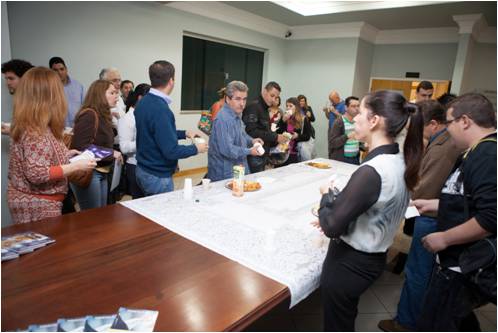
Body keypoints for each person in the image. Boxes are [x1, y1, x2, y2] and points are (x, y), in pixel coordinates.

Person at [315, 90, 424, 331]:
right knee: (345, 317)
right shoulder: (399, 160)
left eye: (360, 113)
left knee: (337, 325)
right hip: (373, 257)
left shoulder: (372, 170)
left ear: (374, 121)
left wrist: (326, 196)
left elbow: (331, 226)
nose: (353, 118)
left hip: (349, 263)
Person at [378, 100, 462, 332]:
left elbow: (425, 187)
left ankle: (406, 322)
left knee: (418, 273)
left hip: (431, 218)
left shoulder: (445, 146)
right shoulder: (439, 141)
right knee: (420, 272)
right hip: (432, 214)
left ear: (433, 124)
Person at [414, 93, 496, 331]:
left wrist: (444, 238)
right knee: (458, 321)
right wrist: (435, 204)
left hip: (463, 265)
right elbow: (469, 201)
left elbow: (491, 217)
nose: (447, 129)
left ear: (465, 121)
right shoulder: (474, 151)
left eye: (449, 122)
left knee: (435, 323)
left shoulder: (488, 155)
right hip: (457, 263)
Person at [7, 67, 96, 224]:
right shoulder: (34, 130)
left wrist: (66, 155)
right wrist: (75, 167)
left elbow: (40, 156)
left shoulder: (36, 124)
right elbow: (36, 173)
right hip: (38, 204)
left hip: (41, 201)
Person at [135, 60, 208, 195]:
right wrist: (196, 148)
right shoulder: (161, 109)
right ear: (171, 81)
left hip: (143, 169)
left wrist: (183, 133)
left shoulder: (143, 102)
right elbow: (171, 151)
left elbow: (155, 133)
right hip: (157, 176)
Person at [70, 80, 123, 210]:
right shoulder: (89, 114)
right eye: (112, 93)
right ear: (99, 95)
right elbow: (81, 148)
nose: (117, 96)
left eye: (117, 93)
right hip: (89, 172)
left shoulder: (103, 115)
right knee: (91, 217)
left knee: (100, 214)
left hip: (101, 170)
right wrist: (111, 153)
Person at [207, 81, 263, 182]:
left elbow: (242, 134)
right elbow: (227, 150)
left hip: (237, 168)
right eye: (238, 99)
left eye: (244, 99)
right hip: (224, 174)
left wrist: (252, 141)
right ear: (228, 99)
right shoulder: (223, 119)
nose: (242, 104)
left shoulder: (236, 114)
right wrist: (249, 151)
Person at [242, 81, 288, 173]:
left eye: (276, 97)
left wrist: (277, 140)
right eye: (272, 95)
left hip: (263, 153)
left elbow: (264, 130)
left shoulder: (265, 108)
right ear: (264, 91)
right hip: (254, 154)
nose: (273, 99)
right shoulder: (254, 106)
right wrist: (275, 137)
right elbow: (251, 131)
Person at [118, 83, 150, 199]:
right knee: (139, 203)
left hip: (148, 165)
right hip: (135, 166)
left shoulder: (145, 115)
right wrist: (146, 143)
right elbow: (124, 147)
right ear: (140, 98)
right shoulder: (127, 119)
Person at [49, 57, 85, 128]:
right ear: (51, 72)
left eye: (62, 69)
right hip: (56, 130)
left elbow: (85, 106)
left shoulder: (78, 86)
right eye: (55, 70)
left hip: (76, 128)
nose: (59, 73)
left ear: (66, 69)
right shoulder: (47, 88)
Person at [276, 97, 313, 166]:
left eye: (290, 106)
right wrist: (283, 121)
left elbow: (307, 136)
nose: (288, 108)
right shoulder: (284, 117)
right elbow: (277, 132)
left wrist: (297, 136)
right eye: (287, 106)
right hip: (283, 151)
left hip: (294, 153)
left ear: (296, 107)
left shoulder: (303, 119)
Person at [1, 59, 33, 135]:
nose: (7, 83)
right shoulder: (20, 99)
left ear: (24, 79)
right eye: (6, 79)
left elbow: (40, 132)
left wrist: (12, 131)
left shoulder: (34, 100)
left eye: (11, 79)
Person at [328, 96, 361, 165]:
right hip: (342, 160)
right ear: (346, 107)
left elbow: (358, 141)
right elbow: (332, 143)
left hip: (355, 159)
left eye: (358, 106)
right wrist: (347, 136)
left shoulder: (358, 122)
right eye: (353, 106)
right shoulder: (339, 122)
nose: (357, 108)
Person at [324, 91, 346, 158]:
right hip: (331, 129)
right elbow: (328, 117)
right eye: (330, 100)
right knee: (330, 147)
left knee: (336, 148)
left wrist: (334, 111)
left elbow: (344, 119)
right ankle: (330, 159)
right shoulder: (333, 105)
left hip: (339, 130)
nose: (331, 102)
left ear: (337, 98)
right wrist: (326, 111)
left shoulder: (344, 105)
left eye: (332, 100)